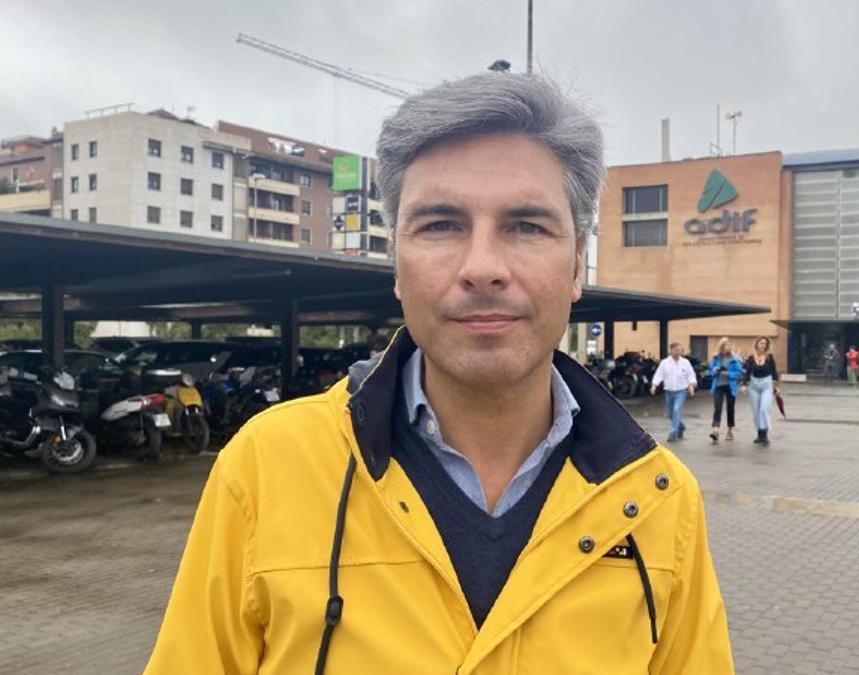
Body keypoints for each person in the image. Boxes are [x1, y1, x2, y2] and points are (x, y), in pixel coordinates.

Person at [147, 73, 733, 674]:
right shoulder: (265, 468)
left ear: (577, 263)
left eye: (527, 226)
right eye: (441, 225)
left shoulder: (661, 500)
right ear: (396, 264)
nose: (483, 268)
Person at [650, 342, 697, 442]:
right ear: (671, 350)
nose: (678, 352)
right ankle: (681, 426)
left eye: (680, 350)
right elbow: (659, 375)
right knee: (671, 414)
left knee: (676, 409)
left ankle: (673, 432)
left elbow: (691, 375)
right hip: (669, 391)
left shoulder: (685, 362)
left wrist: (691, 386)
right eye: (676, 350)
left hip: (681, 390)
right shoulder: (664, 363)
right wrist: (654, 385)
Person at [743, 337, 780, 446]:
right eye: (761, 343)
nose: (763, 345)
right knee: (756, 410)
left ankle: (765, 433)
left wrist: (776, 386)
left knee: (764, 408)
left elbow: (774, 372)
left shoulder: (770, 357)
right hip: (754, 385)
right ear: (757, 344)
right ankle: (759, 434)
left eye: (765, 343)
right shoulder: (750, 358)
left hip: (766, 384)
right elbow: (747, 372)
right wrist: (744, 384)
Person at [708, 337, 744, 442]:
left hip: (730, 386)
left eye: (730, 346)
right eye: (728, 346)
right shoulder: (716, 358)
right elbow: (710, 371)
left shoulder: (735, 359)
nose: (729, 348)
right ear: (722, 346)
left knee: (730, 408)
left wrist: (728, 374)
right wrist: (714, 370)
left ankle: (730, 430)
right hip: (718, 385)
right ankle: (716, 430)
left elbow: (739, 373)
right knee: (717, 407)